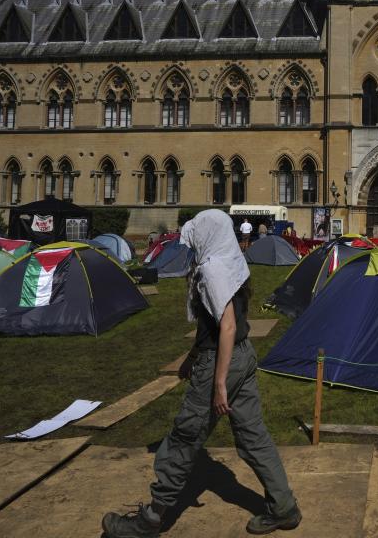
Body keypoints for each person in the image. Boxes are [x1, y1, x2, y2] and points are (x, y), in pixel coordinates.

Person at [102, 210, 301, 537]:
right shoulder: (233, 259)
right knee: (254, 437)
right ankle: (284, 508)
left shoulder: (212, 270)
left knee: (184, 437)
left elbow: (227, 326)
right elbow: (215, 323)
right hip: (244, 354)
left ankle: (150, 520)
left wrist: (219, 383)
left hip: (222, 362)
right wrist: (191, 356)